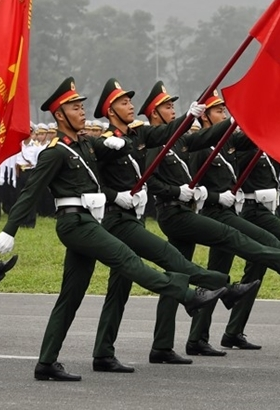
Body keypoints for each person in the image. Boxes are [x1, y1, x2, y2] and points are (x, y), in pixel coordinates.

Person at [0, 77, 226, 382]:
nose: (82, 112)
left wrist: (128, 139)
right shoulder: (55, 152)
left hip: (90, 220)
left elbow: (128, 143)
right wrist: (10, 230)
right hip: (74, 223)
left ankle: (46, 362)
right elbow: (30, 192)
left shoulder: (87, 144)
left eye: (81, 107)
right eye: (75, 108)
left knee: (70, 296)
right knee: (126, 258)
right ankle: (188, 295)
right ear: (60, 115)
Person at [144, 86, 280, 353]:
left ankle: (180, 342)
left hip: (201, 211)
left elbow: (255, 139)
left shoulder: (209, 145)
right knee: (249, 242)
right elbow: (168, 179)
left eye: (225, 110)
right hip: (201, 213)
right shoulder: (184, 146)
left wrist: (269, 114)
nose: (223, 114)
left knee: (183, 276)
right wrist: (209, 195)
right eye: (218, 110)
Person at [88, 79, 260, 371]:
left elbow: (184, 135)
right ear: (110, 109)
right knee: (168, 265)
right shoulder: (114, 141)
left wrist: (197, 117)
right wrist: (134, 193)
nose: (130, 106)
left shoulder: (142, 138)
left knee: (124, 288)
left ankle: (131, 349)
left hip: (139, 217)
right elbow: (95, 182)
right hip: (126, 220)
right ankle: (223, 289)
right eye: (167, 106)